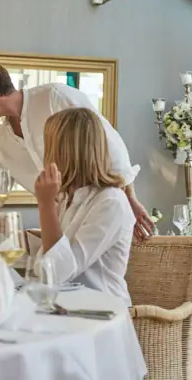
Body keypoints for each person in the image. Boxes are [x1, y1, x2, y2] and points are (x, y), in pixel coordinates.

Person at [0, 63, 152, 240]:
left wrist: (130, 199)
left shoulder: (55, 97)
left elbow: (110, 145)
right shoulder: (2, 139)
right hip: (62, 221)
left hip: (99, 209)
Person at [34, 107, 135, 304]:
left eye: (49, 145)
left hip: (101, 313)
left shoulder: (110, 202)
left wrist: (45, 205)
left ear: (63, 150)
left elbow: (58, 273)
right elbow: (43, 269)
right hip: (66, 306)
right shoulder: (65, 198)